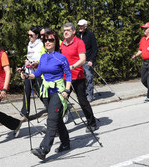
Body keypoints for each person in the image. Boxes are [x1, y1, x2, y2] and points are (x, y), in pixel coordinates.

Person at [21, 29, 72, 160]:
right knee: (56, 119)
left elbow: (69, 75)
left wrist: (67, 90)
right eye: (46, 40)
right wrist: (28, 75)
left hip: (59, 92)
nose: (48, 42)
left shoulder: (61, 57)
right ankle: (65, 143)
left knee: (51, 120)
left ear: (56, 42)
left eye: (51, 40)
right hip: (46, 92)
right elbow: (38, 73)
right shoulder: (43, 57)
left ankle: (44, 149)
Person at [60, 22, 98, 132]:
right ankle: (57, 128)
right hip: (65, 78)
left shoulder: (79, 42)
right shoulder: (63, 44)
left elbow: (82, 59)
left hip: (77, 76)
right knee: (61, 102)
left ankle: (92, 123)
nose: (65, 32)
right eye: (64, 30)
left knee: (82, 101)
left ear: (73, 31)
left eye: (68, 30)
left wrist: (71, 67)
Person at [18, 26, 43, 120]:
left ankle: (53, 108)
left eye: (31, 35)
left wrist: (34, 64)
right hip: (29, 72)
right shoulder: (29, 44)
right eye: (28, 35)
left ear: (37, 35)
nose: (29, 37)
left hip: (38, 72)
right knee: (26, 91)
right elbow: (29, 57)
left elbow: (42, 59)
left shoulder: (41, 45)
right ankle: (25, 112)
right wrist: (24, 65)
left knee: (41, 93)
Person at [77, 19, 98, 102]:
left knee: (89, 77)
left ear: (85, 26)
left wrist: (92, 60)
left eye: (81, 26)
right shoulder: (77, 35)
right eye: (79, 26)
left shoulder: (90, 35)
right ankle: (83, 94)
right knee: (80, 79)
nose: (80, 27)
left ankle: (90, 95)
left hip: (88, 60)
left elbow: (95, 49)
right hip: (79, 61)